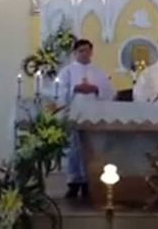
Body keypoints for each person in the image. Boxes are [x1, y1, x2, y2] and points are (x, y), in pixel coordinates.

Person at [56, 39, 113, 199]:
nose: (84, 53)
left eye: (87, 50)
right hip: (75, 113)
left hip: (93, 115)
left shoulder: (98, 72)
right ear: (75, 53)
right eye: (81, 50)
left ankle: (89, 183)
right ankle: (74, 183)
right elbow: (59, 91)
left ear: (92, 52)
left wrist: (95, 88)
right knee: (74, 149)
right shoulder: (67, 72)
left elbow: (108, 91)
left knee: (92, 149)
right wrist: (75, 88)